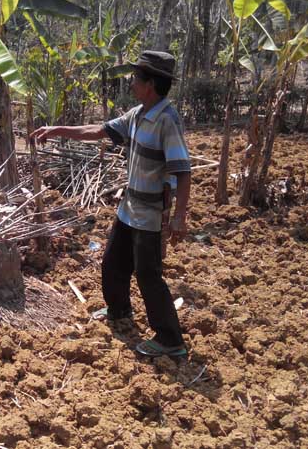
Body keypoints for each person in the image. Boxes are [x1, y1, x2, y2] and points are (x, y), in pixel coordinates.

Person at [30, 51, 191, 358]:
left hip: (151, 214)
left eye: (136, 78)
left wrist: (179, 216)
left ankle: (170, 339)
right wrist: (56, 130)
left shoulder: (166, 121)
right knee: (112, 262)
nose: (132, 83)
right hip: (129, 208)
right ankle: (119, 311)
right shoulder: (138, 114)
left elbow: (183, 171)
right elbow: (99, 131)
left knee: (148, 275)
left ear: (151, 84)